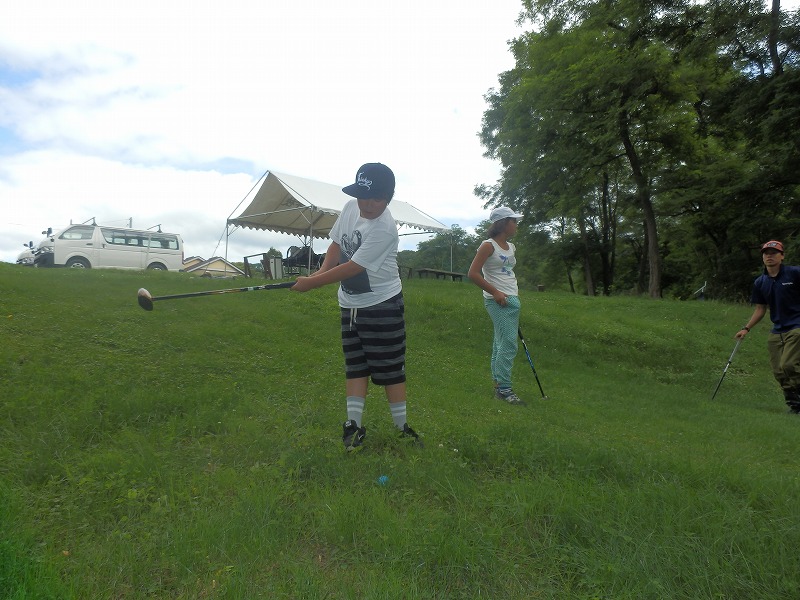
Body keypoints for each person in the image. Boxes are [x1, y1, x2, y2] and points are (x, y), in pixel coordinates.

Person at [291, 163, 422, 450]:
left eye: (376, 198)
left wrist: (314, 283)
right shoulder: (351, 207)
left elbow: (353, 267)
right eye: (364, 196)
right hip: (350, 305)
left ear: (388, 198)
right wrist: (319, 273)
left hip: (382, 303)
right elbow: (336, 244)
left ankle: (402, 428)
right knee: (356, 366)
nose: (368, 204)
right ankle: (353, 426)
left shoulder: (385, 228)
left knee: (390, 368)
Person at [468, 206, 525, 406]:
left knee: (500, 343)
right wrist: (495, 292)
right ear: (504, 223)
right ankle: (504, 389)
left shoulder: (511, 247)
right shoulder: (488, 245)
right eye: (514, 221)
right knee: (508, 344)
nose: (516, 224)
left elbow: (507, 273)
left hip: (512, 298)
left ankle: (498, 385)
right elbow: (473, 273)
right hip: (498, 300)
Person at [736, 240, 800, 413]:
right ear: (763, 257)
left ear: (782, 256)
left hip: (797, 325)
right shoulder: (760, 282)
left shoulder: (794, 273)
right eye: (766, 253)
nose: (769, 256)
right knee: (779, 371)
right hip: (777, 329)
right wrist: (746, 328)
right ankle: (795, 405)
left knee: (789, 365)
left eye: (774, 252)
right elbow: (760, 309)